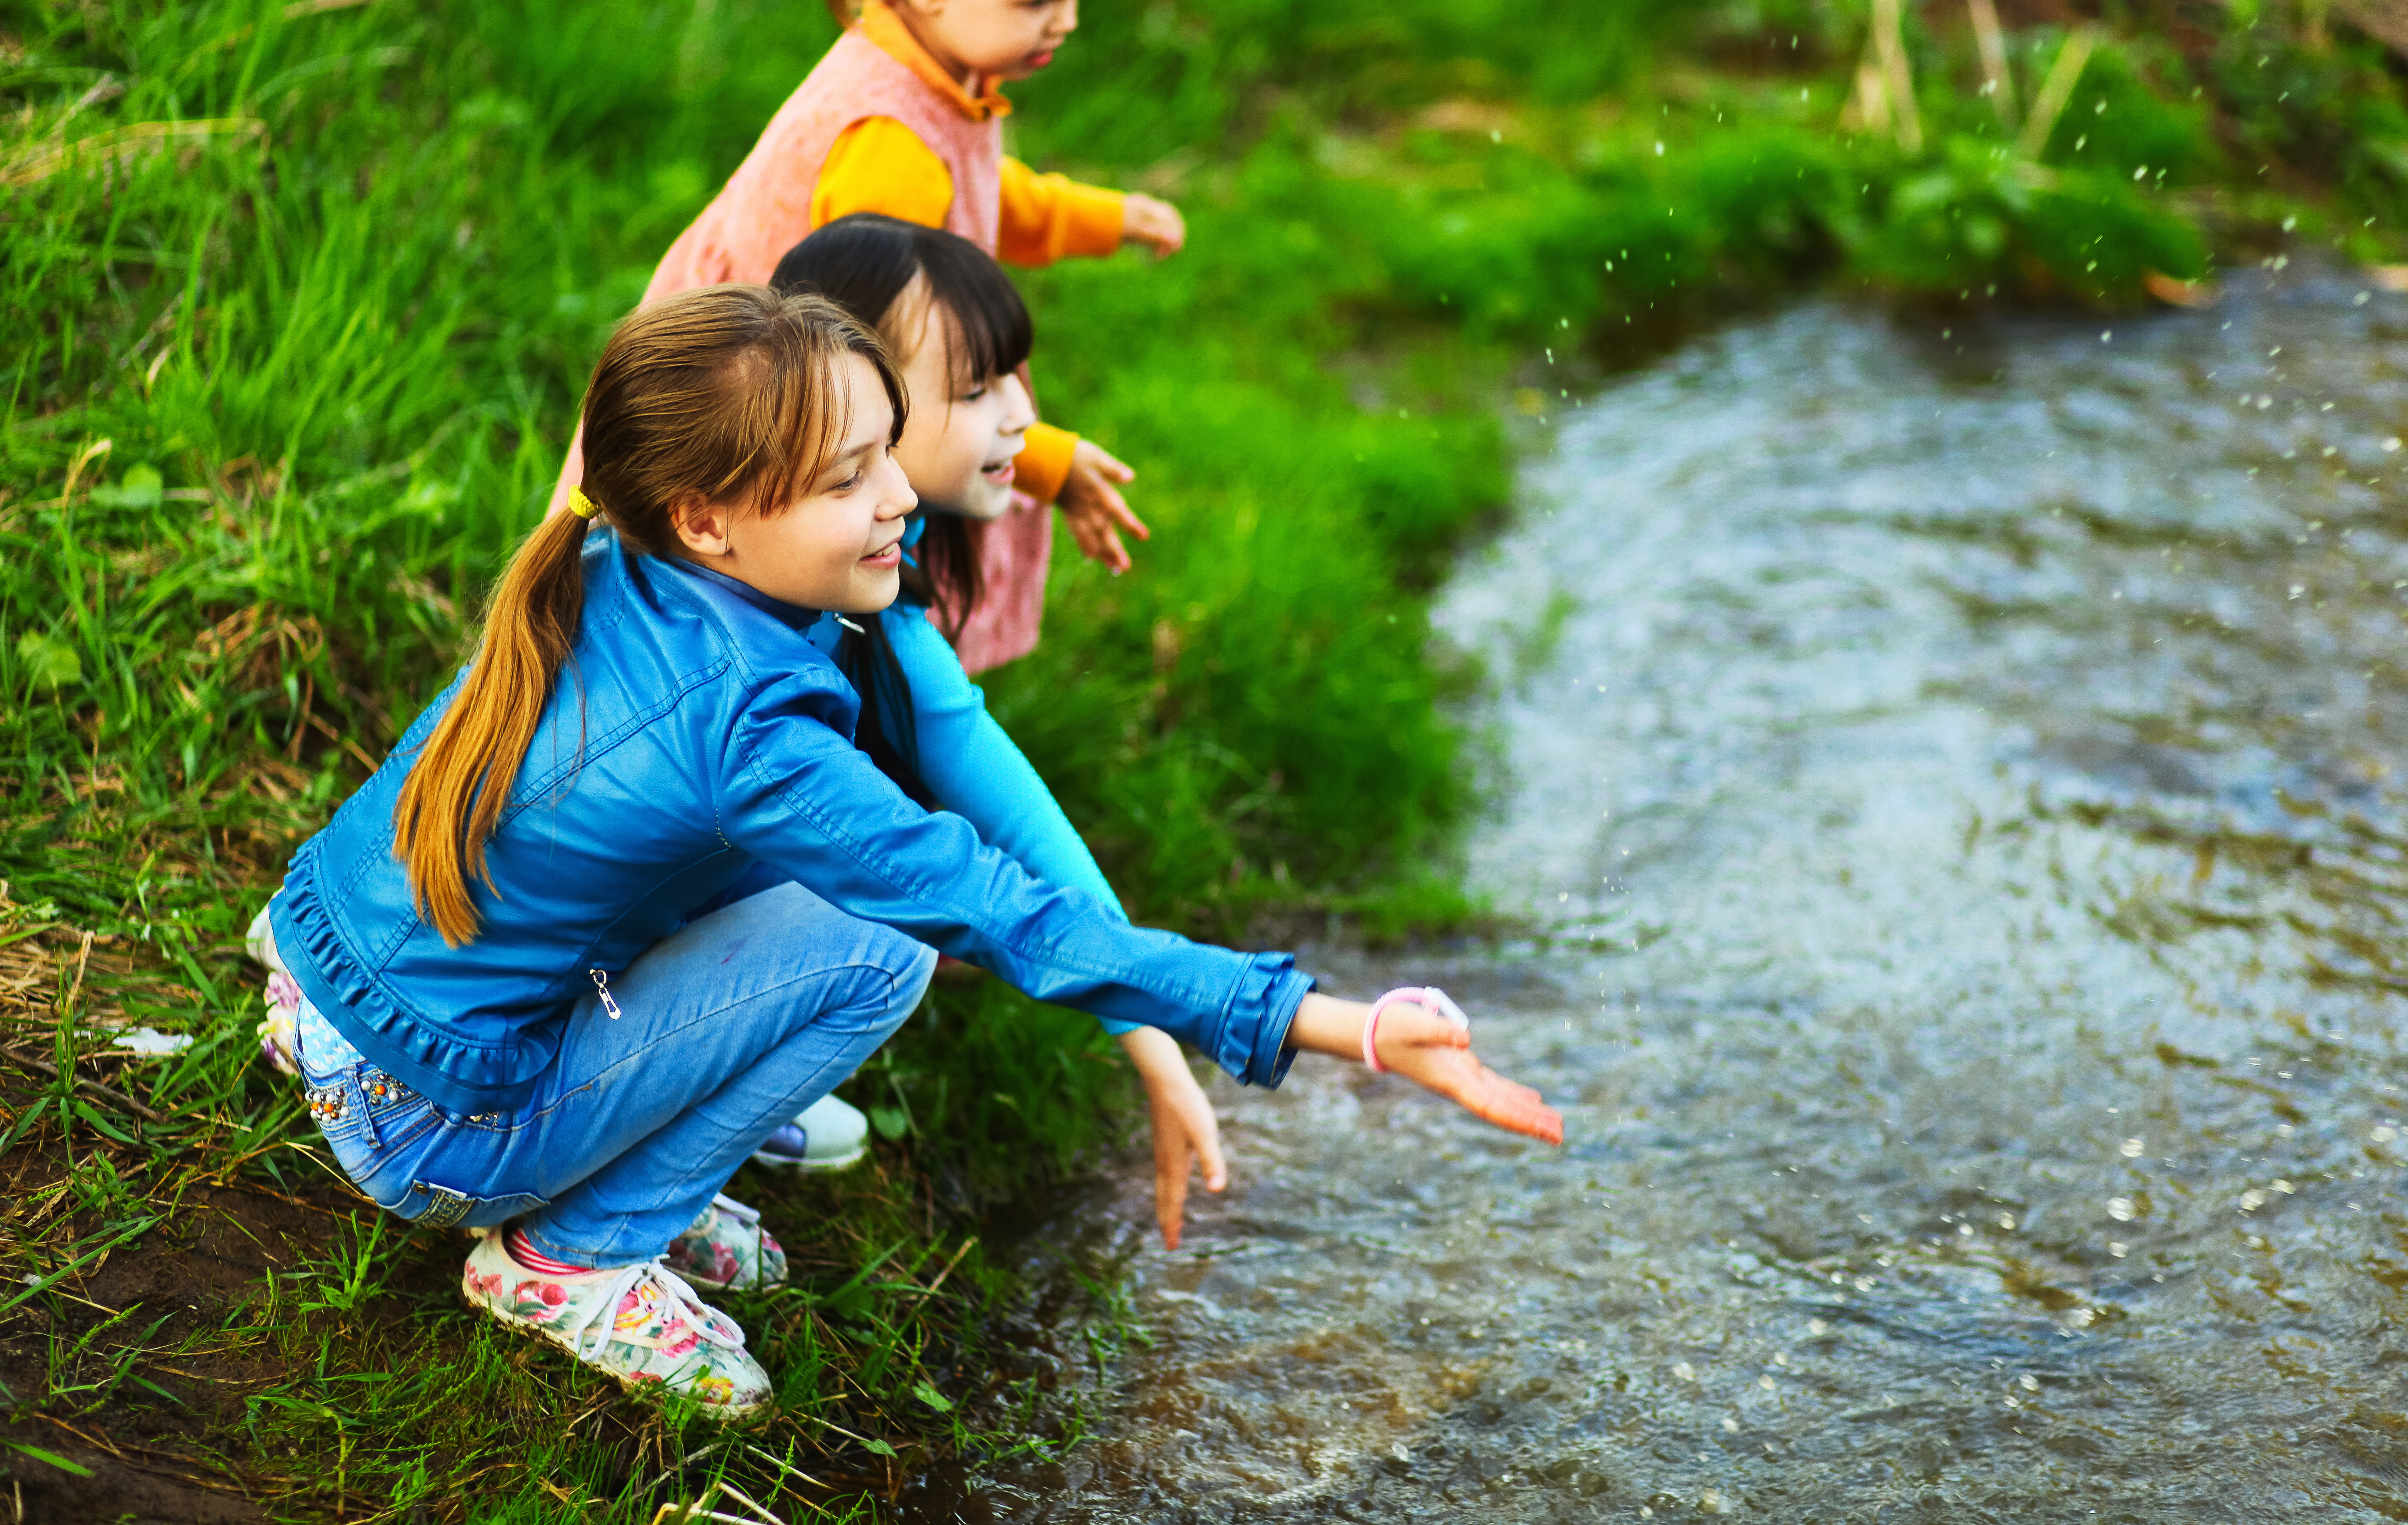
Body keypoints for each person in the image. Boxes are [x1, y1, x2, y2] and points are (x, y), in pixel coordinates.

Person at [262, 286, 1562, 1418]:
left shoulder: (612, 561)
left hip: (336, 988)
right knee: (882, 942)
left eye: (888, 452)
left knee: (807, 880)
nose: (899, 502)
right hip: (431, 1125)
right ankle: (572, 1253)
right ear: (708, 517)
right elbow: (1005, 916)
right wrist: (1343, 1026)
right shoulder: (751, 727)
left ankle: (623, 1162)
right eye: (846, 481)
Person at [732, 214, 1217, 1247]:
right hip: (525, 1012)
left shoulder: (840, 608)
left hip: (476, 958)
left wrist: (1158, 1045)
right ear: (853, 407)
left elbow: (1030, 835)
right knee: (889, 932)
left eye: (1016, 382)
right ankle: (698, 1109)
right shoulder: (768, 626)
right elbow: (1027, 849)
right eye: (977, 390)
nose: (1022, 419)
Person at [546, 0, 1174, 673]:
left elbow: (981, 187)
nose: (1068, 20)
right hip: (768, 421)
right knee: (766, 623)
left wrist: (1106, 219)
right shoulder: (891, 151)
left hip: (824, 397)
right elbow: (896, 380)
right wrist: (1038, 460)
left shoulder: (931, 72)